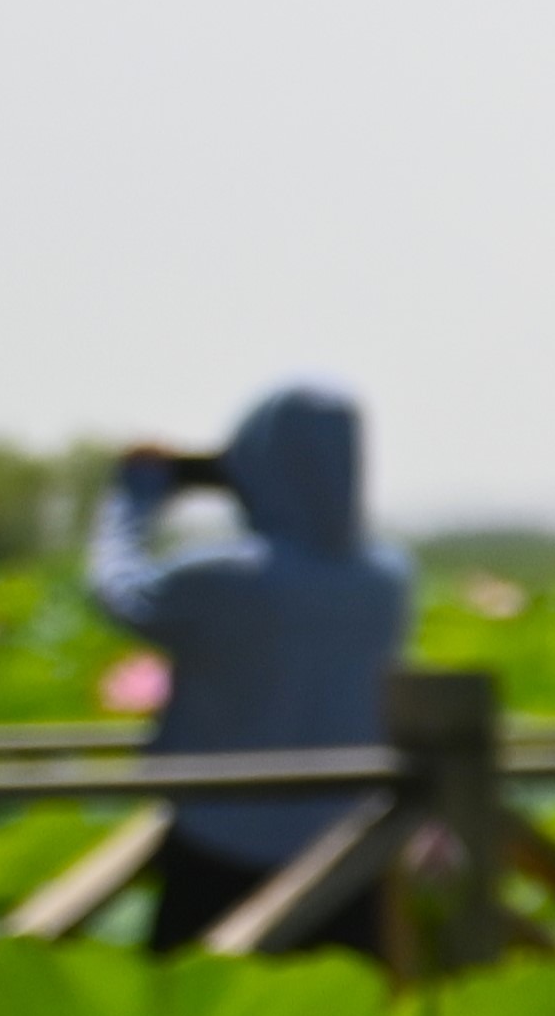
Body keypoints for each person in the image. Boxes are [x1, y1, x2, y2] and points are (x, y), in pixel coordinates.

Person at [89, 385, 415, 949]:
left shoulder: (218, 578)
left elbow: (118, 590)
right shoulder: (389, 579)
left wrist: (134, 501)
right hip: (350, 849)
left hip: (216, 839)